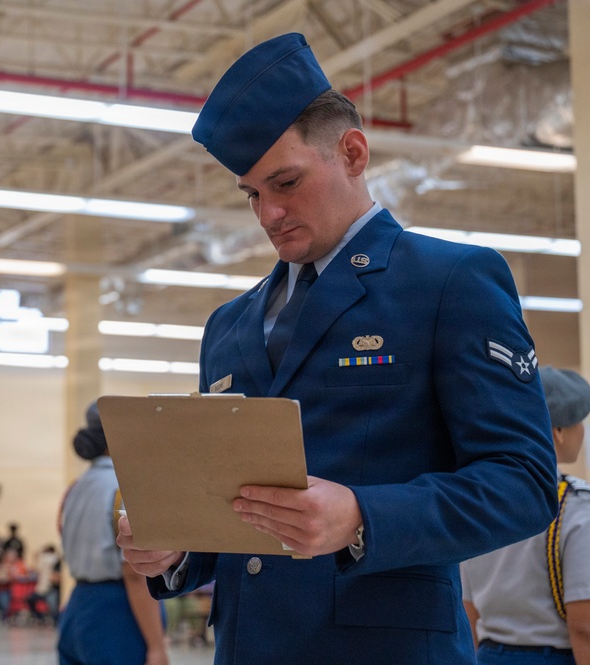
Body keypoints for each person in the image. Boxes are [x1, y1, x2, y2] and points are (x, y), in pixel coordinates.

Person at [115, 32, 558, 665]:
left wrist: (361, 516)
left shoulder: (448, 283)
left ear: (352, 152)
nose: (268, 214)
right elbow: (235, 506)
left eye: (286, 182)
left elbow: (524, 483)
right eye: (252, 194)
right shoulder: (230, 326)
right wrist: (177, 547)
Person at [462, 367, 590, 664]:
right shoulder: (574, 504)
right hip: (553, 655)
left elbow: (468, 611)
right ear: (558, 432)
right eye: (579, 422)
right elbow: (583, 626)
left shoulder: (480, 500)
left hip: (489, 654)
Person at [59, 402, 168, 665]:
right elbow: (134, 573)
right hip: (117, 614)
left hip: (76, 610)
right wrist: (156, 646)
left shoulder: (75, 488)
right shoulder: (126, 488)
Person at [26, 544, 61, 625]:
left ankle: (40, 617)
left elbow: (34, 568)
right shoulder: (56, 559)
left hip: (46, 588)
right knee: (53, 607)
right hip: (49, 588)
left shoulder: (45, 558)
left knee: (31, 600)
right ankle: (54, 621)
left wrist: (35, 556)